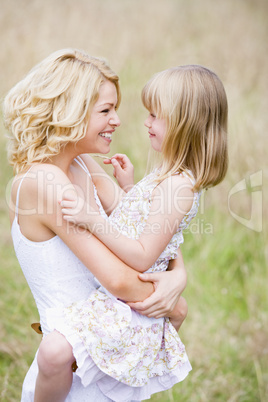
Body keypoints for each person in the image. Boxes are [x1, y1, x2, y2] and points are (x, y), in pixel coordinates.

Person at [4, 49, 188, 402]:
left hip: (106, 348)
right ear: (67, 114)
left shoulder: (84, 166)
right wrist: (170, 300)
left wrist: (179, 275)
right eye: (105, 110)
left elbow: (150, 236)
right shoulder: (44, 182)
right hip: (73, 369)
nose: (117, 120)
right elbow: (117, 280)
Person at [36, 65, 229, 401]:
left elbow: (142, 254)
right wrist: (129, 189)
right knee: (55, 353)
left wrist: (92, 218)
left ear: (184, 124)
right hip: (119, 298)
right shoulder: (165, 178)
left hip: (127, 307)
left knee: (54, 352)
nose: (145, 122)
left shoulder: (179, 187)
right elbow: (143, 224)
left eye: (155, 115)